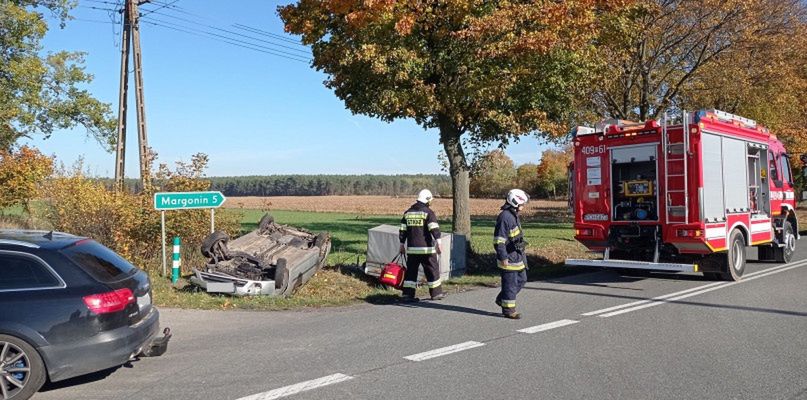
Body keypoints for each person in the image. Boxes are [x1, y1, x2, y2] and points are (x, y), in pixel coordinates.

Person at [398, 189, 444, 302]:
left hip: (412, 249)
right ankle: (436, 293)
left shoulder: (408, 213)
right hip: (426, 249)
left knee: (411, 273)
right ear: (427, 200)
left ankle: (407, 295)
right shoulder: (428, 212)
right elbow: (434, 229)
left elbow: (403, 230)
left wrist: (401, 244)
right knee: (432, 271)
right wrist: (439, 242)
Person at [494, 188, 529, 319]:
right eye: (522, 204)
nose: (523, 206)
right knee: (510, 284)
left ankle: (502, 298)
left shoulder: (513, 215)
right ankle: (509, 310)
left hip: (517, 255)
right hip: (508, 258)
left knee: (522, 279)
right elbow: (499, 240)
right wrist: (503, 256)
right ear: (515, 202)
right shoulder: (505, 217)